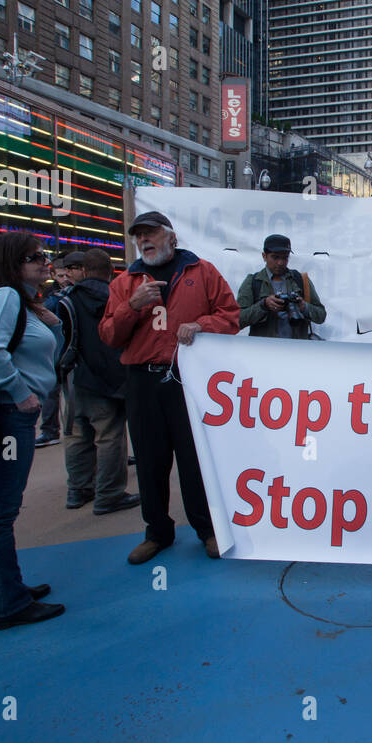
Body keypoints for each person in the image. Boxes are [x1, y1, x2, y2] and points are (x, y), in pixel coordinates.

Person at [101, 210, 240, 564]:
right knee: (149, 460)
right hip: (143, 381)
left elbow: (231, 316)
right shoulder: (124, 283)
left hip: (188, 380)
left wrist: (202, 324)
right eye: (138, 236)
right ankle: (157, 532)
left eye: (151, 234)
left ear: (171, 237)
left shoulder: (202, 272)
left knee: (195, 459)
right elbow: (109, 336)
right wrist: (132, 307)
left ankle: (207, 529)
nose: (144, 241)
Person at [0, 233, 66, 630]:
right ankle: (6, 604)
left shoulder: (20, 301)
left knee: (0, 508)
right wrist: (20, 392)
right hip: (7, 415)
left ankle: (8, 588)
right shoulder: (5, 297)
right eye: (35, 257)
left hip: (10, 414)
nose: (45, 262)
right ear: (12, 262)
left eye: (45, 255)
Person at [59, 249, 140, 515]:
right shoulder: (116, 299)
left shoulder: (66, 299)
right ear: (110, 271)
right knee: (110, 438)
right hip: (109, 380)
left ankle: (78, 490)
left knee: (76, 436)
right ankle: (109, 494)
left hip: (75, 379)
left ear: (83, 270)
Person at [35, 252, 85, 447]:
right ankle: (50, 430)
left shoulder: (75, 294)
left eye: (68, 274)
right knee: (52, 392)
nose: (66, 279)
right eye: (61, 275)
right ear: (54, 275)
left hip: (72, 353)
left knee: (75, 398)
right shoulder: (52, 296)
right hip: (57, 353)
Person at [237, 234, 328, 339]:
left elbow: (321, 316)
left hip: (297, 349)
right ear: (264, 256)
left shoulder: (300, 280)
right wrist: (263, 305)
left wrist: (303, 307)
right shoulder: (253, 282)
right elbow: (237, 320)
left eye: (285, 257)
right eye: (275, 257)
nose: (280, 263)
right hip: (263, 350)